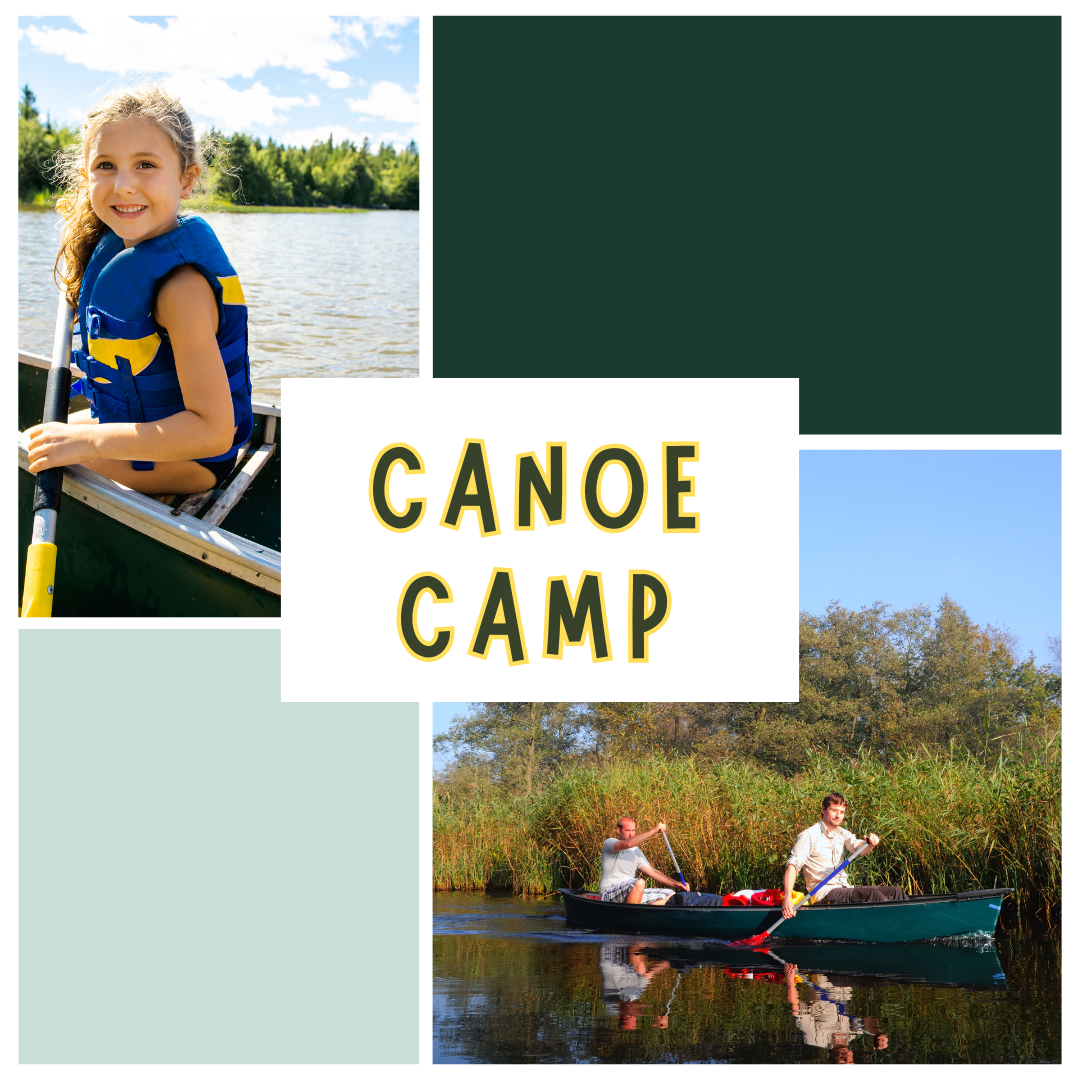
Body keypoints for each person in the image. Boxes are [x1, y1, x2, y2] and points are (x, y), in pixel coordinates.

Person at [26, 85, 252, 496]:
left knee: (28, 460)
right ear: (86, 177)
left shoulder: (182, 290)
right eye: (106, 165)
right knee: (31, 440)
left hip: (195, 457)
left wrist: (89, 442)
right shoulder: (117, 256)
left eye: (145, 164)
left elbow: (215, 431)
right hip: (144, 430)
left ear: (186, 179)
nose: (124, 185)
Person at [781, 793, 907, 920]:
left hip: (844, 888)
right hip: (823, 893)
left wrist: (870, 843)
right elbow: (792, 866)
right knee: (872, 895)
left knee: (895, 892)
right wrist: (787, 899)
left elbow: (859, 847)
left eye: (842, 812)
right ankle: (894, 923)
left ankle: (909, 921)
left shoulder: (843, 834)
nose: (838, 815)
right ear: (823, 809)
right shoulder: (808, 835)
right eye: (834, 810)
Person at [599, 817, 690, 905]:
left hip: (630, 893)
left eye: (633, 830)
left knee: (670, 894)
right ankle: (630, 916)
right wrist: (653, 830)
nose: (631, 834)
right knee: (639, 883)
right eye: (627, 831)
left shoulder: (636, 851)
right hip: (609, 892)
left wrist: (676, 883)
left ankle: (644, 914)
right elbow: (628, 843)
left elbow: (653, 872)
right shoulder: (609, 843)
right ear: (619, 830)